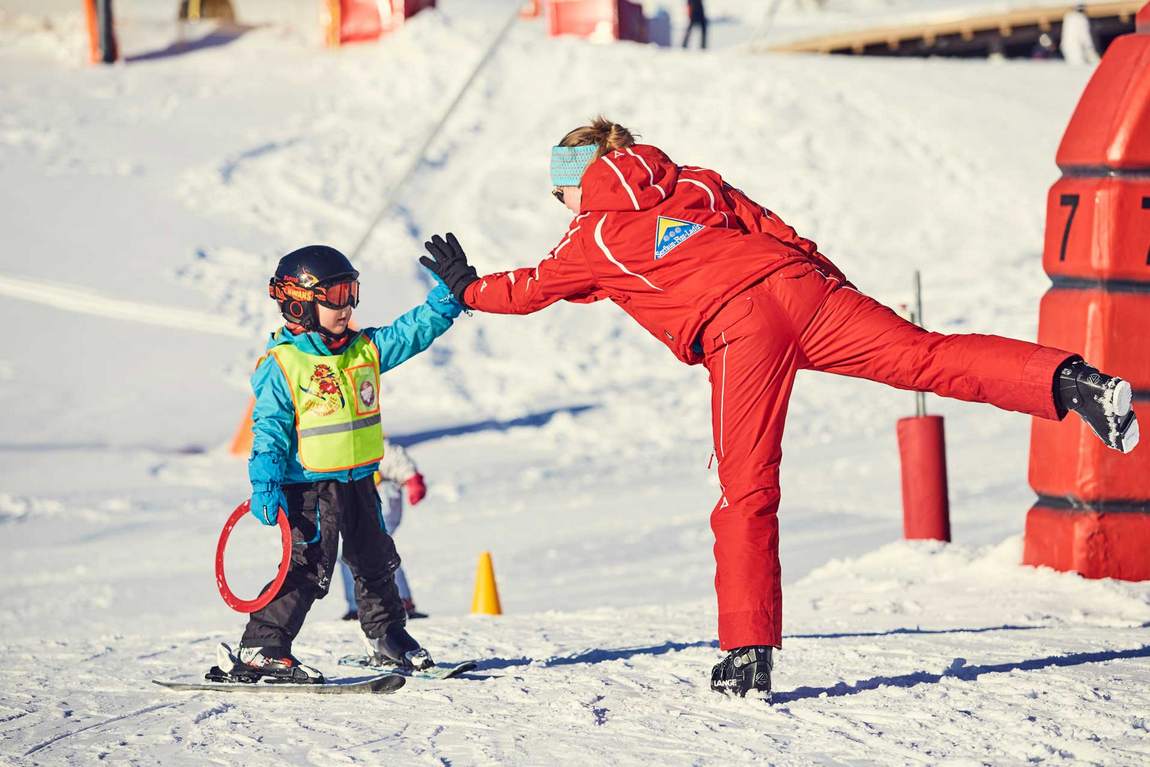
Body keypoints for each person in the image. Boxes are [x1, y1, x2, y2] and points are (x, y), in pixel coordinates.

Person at [419, 117, 1140, 698]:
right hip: (803, 287)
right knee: (925, 354)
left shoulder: (593, 235)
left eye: (558, 196)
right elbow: (774, 228)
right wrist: (835, 294)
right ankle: (1071, 381)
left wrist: (466, 285)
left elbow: (530, 287)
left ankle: (747, 651)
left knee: (746, 487)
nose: (561, 209)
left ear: (575, 186)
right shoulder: (693, 180)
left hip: (739, 327)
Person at [228, 244, 462, 683]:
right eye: (335, 296)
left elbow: (410, 332)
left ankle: (387, 636)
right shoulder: (284, 365)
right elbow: (270, 430)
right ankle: (263, 645)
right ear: (299, 302)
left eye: (352, 292)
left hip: (359, 481)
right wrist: (265, 483)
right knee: (308, 567)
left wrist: (446, 301)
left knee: (376, 561)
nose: (347, 305)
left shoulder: (363, 349)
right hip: (311, 489)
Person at [339, 438, 428, 621]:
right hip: (361, 502)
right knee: (351, 554)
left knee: (375, 550)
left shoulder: (366, 439)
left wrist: (412, 479)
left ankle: (400, 599)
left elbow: (393, 456)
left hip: (381, 498)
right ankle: (358, 605)